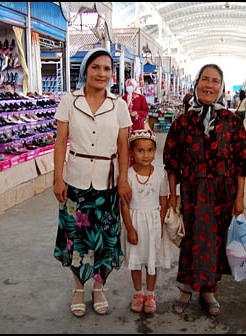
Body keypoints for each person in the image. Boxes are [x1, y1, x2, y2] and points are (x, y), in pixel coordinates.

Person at [163, 64, 246, 317]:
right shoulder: (183, 121)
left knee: (215, 243)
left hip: (223, 194)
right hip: (192, 191)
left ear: (221, 87)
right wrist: (172, 196)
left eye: (215, 81)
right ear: (196, 83)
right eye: (205, 79)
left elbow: (242, 163)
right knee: (190, 241)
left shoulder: (233, 122)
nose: (209, 85)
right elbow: (172, 162)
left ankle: (209, 290)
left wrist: (240, 197)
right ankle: (186, 289)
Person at [52, 47, 133, 318]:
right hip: (75, 182)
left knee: (105, 239)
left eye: (107, 69)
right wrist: (57, 179)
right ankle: (78, 288)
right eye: (96, 67)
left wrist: (123, 180)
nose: (101, 73)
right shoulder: (70, 101)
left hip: (107, 184)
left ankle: (99, 287)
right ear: (85, 70)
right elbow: (60, 142)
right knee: (77, 239)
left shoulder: (118, 105)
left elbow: (123, 144)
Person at [121, 129, 171, 314]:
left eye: (149, 150)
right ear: (132, 152)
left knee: (152, 261)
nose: (145, 155)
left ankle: (150, 294)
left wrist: (159, 226)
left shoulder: (160, 174)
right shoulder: (127, 176)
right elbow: (124, 205)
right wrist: (130, 229)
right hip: (134, 223)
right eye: (140, 150)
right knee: (135, 261)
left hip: (154, 225)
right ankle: (138, 293)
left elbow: (163, 202)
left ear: (155, 151)